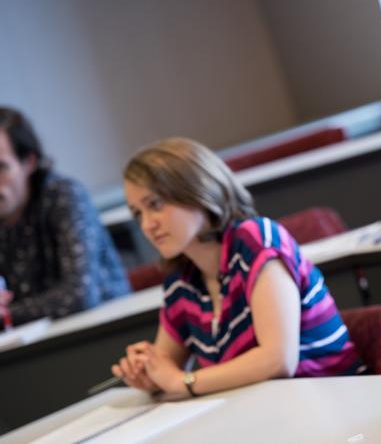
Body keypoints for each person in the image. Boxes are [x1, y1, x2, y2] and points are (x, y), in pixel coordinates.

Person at [112, 137, 364, 398]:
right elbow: (167, 366)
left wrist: (183, 381)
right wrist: (149, 372)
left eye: (155, 205)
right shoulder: (181, 279)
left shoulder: (257, 240)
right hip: (269, 413)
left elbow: (278, 361)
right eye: (137, 213)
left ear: (198, 191)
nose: (147, 226)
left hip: (334, 403)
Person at [0, 107, 130, 327]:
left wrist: (7, 314)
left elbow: (78, 294)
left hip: (106, 332)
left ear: (29, 162)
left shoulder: (64, 195)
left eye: (1, 167)